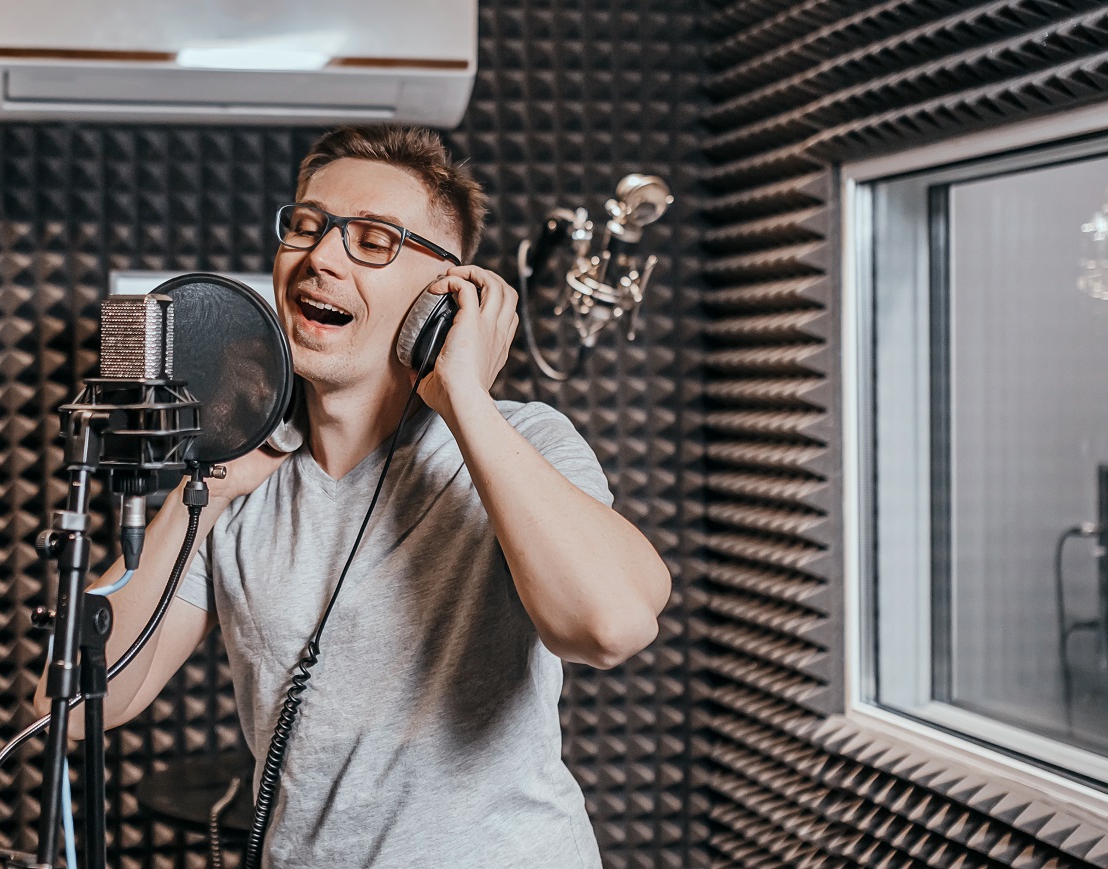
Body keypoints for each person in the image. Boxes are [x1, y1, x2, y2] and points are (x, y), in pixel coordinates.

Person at [80, 125, 671, 868]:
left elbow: (609, 626)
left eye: (373, 240)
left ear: (444, 295)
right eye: (305, 226)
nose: (320, 256)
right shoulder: (234, 490)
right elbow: (73, 704)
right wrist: (216, 476)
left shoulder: (523, 443)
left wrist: (464, 398)